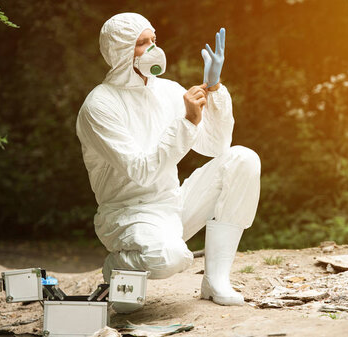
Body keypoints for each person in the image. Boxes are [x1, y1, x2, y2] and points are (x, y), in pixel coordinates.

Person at [75, 12, 261, 307]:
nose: (153, 50)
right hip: (129, 215)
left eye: (154, 40)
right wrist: (186, 122)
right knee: (168, 258)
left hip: (173, 205)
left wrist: (214, 89)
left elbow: (217, 145)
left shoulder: (168, 91)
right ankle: (117, 267)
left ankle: (216, 280)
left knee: (243, 159)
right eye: (141, 43)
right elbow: (140, 170)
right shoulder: (99, 106)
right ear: (120, 51)